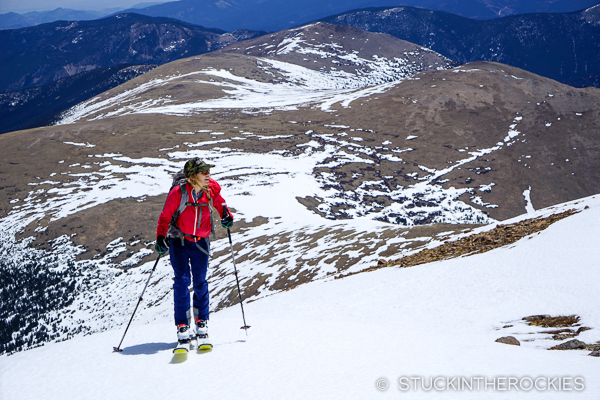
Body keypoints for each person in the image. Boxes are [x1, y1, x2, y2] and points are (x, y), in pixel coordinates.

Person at [155, 157, 234, 346]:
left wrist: (226, 215)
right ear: (192, 176)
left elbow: (220, 204)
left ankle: (201, 322)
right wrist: (160, 237)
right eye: (203, 172)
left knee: (200, 282)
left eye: (208, 171)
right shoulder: (178, 193)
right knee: (182, 281)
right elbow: (165, 217)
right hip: (178, 241)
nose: (208, 175)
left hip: (201, 243)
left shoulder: (211, 188)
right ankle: (182, 325)